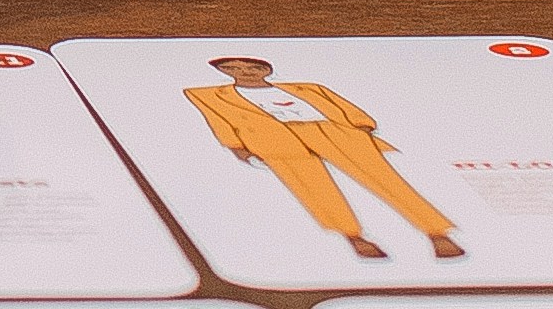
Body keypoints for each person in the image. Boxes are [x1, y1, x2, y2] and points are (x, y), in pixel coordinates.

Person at [179, 55, 465, 262]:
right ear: (224, 71)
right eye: (233, 68)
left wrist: (361, 127)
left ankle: (437, 233)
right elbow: (216, 119)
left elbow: (343, 107)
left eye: (255, 67)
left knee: (385, 180)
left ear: (267, 68)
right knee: (311, 186)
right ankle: (352, 236)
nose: (246, 72)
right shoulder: (207, 94)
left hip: (332, 131)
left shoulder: (308, 87)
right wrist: (237, 146)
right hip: (272, 138)